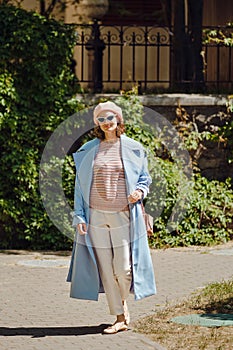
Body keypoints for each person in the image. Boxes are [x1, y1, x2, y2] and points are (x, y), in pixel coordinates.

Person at [67, 101, 156, 334]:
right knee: (105, 268)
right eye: (101, 119)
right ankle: (119, 316)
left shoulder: (133, 148)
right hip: (95, 215)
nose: (106, 123)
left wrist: (139, 191)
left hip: (123, 215)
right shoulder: (88, 149)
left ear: (118, 120)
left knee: (123, 268)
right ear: (97, 123)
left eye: (110, 118)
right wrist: (79, 216)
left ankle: (123, 303)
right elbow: (79, 186)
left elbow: (145, 179)